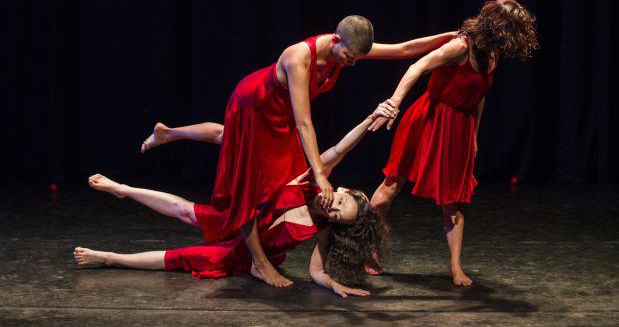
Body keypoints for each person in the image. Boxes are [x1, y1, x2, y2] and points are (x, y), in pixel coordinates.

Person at [140, 15, 456, 286]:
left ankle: (168, 133)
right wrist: (320, 176)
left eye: (356, 59)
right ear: (335, 39)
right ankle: (259, 263)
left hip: (280, 114)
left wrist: (450, 36)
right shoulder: (298, 59)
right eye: (348, 56)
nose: (351, 63)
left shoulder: (350, 44)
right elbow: (305, 124)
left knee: (227, 137)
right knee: (250, 184)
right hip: (255, 105)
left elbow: (403, 49)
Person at [75, 101, 394, 297]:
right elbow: (340, 149)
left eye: (336, 217)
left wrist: (334, 285)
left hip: (246, 250)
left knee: (182, 257)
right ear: (343, 191)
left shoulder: (322, 230)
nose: (331, 210)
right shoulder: (311, 181)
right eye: (339, 204)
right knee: (190, 205)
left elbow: (317, 272)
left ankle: (109, 257)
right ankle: (124, 187)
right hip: (245, 211)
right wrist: (369, 121)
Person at [368, 0, 539, 286]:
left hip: (459, 128)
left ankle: (455, 266)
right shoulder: (460, 46)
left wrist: (474, 136)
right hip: (428, 119)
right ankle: (366, 249)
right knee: (390, 188)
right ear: (498, 29)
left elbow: (480, 95)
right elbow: (417, 66)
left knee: (453, 201)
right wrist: (395, 102)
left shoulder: (492, 54)